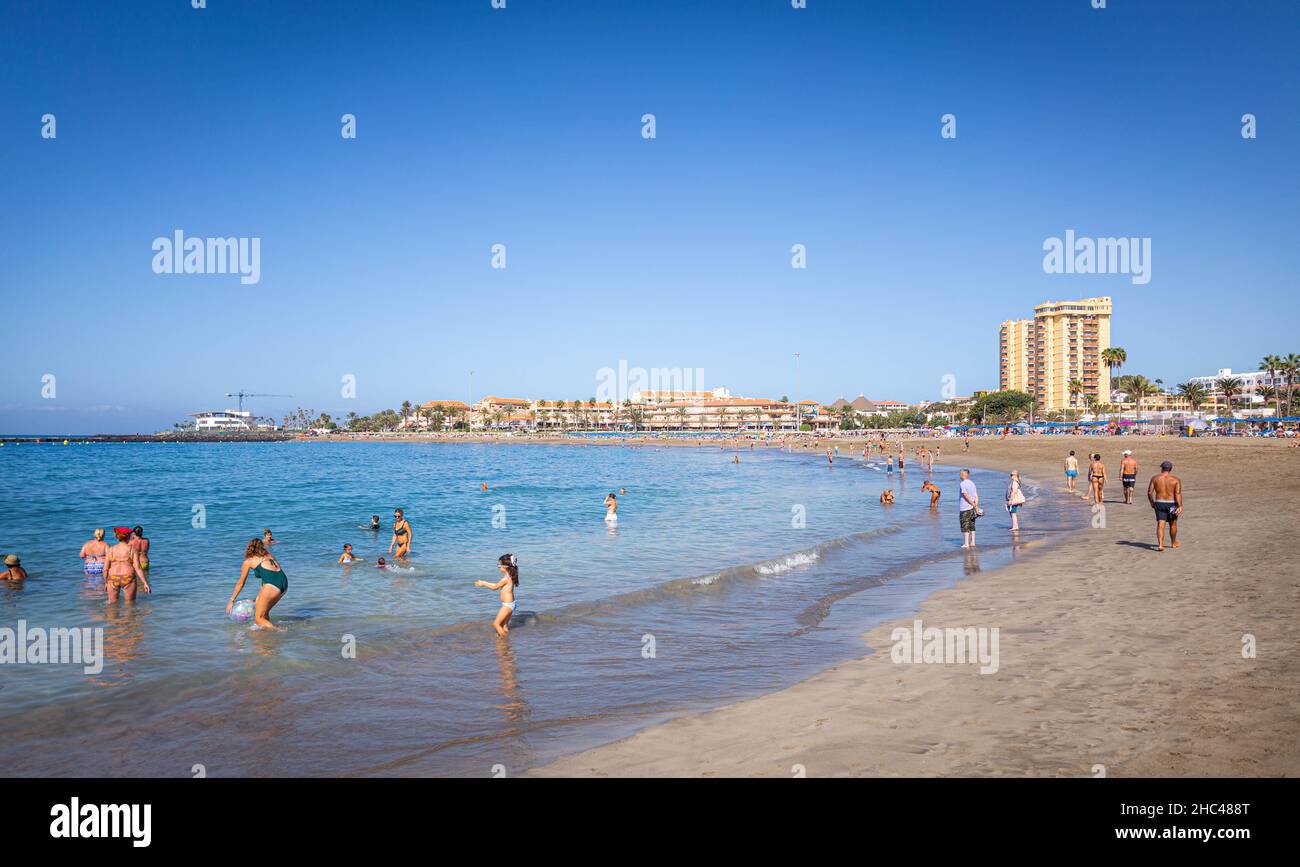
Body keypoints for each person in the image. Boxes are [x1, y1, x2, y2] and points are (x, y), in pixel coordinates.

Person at [227, 538, 287, 629]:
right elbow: (270, 575)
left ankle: (278, 630)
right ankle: (267, 635)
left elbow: (241, 583)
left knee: (258, 618)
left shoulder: (249, 561)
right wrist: (260, 596)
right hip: (284, 583)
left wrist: (231, 600)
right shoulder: (269, 555)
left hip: (272, 586)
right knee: (264, 613)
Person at [474, 554, 519, 637]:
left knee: (496, 624)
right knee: (504, 626)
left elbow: (494, 587)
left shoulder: (505, 579)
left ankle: (505, 641)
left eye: (499, 565)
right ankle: (504, 639)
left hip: (507, 605)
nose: (498, 567)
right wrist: (485, 582)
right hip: (511, 604)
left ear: (505, 566)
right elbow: (496, 585)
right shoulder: (510, 576)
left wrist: (483, 583)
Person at [104, 526, 150, 602]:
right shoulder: (132, 549)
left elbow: (105, 569)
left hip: (113, 578)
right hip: (128, 577)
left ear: (117, 536)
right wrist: (145, 582)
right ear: (128, 537)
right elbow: (137, 568)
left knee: (112, 605)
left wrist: (106, 582)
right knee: (130, 606)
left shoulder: (110, 549)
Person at [1146, 460, 1183, 551]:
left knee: (1160, 524)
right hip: (1172, 503)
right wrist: (1180, 506)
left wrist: (1151, 502)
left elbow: (1150, 492)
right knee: (1173, 524)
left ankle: (1160, 545)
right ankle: (1173, 542)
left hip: (1159, 502)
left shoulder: (1155, 478)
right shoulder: (1176, 480)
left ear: (1162, 468)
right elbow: (1178, 493)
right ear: (1170, 469)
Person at [958, 469, 980, 548]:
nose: (960, 475)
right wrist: (975, 505)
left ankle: (966, 543)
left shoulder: (962, 484)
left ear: (963, 474)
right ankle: (973, 542)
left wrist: (972, 503)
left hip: (965, 508)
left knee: (965, 525)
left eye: (960, 474)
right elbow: (976, 495)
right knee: (972, 524)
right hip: (972, 508)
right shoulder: (972, 483)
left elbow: (965, 495)